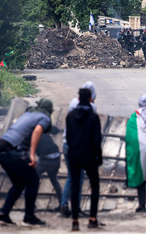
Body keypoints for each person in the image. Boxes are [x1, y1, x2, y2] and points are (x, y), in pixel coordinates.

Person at [0, 98, 51, 227]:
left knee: (19, 184)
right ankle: (29, 218)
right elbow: (37, 131)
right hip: (11, 150)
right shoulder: (44, 117)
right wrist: (32, 154)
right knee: (33, 181)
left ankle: (3, 215)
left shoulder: (28, 114)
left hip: (1, 147)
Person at [66, 87, 103, 231]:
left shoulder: (70, 116)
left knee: (75, 187)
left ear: (79, 99)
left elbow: (68, 138)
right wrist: (98, 157)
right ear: (90, 99)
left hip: (74, 155)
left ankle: (75, 221)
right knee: (95, 186)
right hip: (89, 156)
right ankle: (92, 218)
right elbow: (96, 140)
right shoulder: (93, 117)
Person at [60, 82, 98, 218]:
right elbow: (93, 132)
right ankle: (76, 208)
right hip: (82, 146)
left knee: (72, 177)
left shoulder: (72, 104)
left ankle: (65, 205)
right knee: (79, 179)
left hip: (68, 144)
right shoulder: (91, 108)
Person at [35, 116, 63, 210]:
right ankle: (62, 204)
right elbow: (55, 130)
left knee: (33, 180)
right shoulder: (42, 126)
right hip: (56, 157)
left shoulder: (30, 129)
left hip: (46, 159)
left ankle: (31, 205)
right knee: (54, 180)